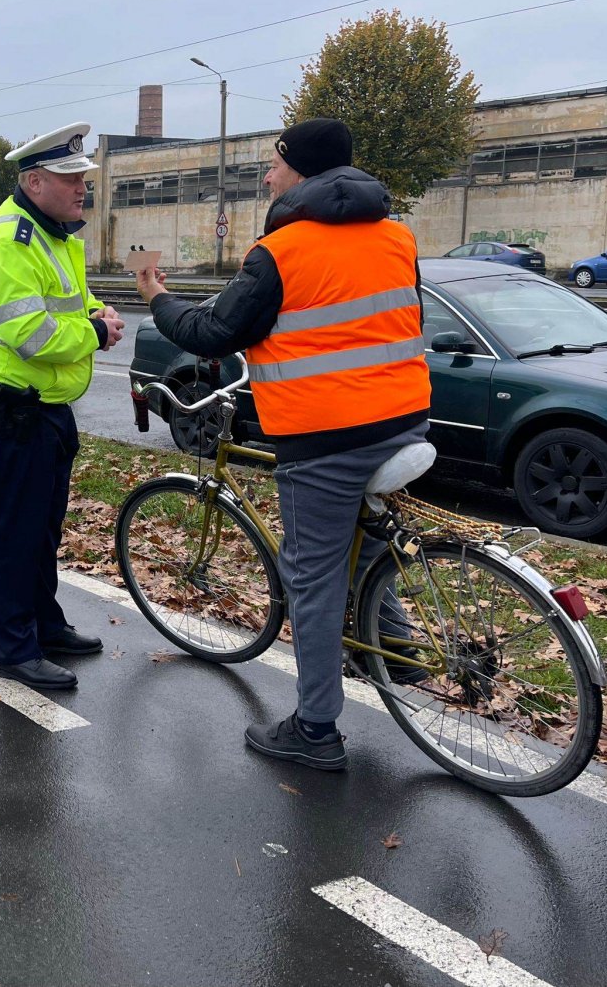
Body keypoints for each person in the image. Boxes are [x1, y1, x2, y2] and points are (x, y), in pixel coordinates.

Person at [136, 118, 431, 770]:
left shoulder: (282, 250)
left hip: (326, 438)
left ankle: (316, 729)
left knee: (312, 577)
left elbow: (214, 331)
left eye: (275, 164)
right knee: (363, 542)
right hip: (406, 417)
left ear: (301, 172)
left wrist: (156, 297)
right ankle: (399, 649)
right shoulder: (397, 235)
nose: (269, 176)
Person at [0, 122, 126, 691]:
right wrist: (97, 334)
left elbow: (73, 301)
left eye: (84, 177)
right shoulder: (9, 241)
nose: (83, 187)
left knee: (44, 528)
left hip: (44, 407)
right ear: (33, 181)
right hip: (7, 409)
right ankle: (15, 649)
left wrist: (99, 313)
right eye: (70, 177)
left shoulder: (52, 235)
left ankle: (45, 626)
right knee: (12, 534)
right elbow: (33, 333)